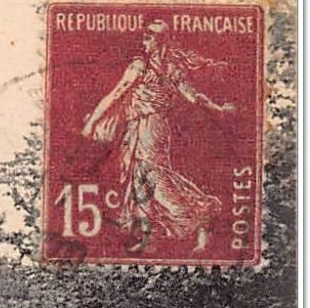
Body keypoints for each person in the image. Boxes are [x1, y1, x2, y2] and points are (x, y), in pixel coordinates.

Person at [81, 20, 235, 254]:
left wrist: (92, 122)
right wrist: (219, 109)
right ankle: (149, 234)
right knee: (141, 178)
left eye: (149, 37)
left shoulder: (140, 66)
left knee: (151, 177)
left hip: (148, 126)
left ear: (159, 40)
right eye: (145, 36)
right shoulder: (173, 69)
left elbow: (117, 93)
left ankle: (201, 212)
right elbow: (195, 97)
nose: (144, 41)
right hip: (153, 127)